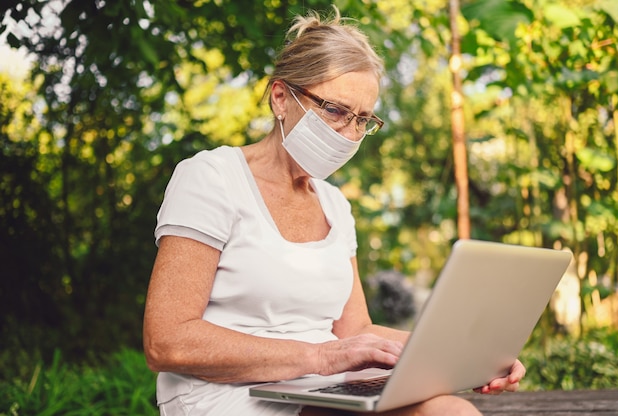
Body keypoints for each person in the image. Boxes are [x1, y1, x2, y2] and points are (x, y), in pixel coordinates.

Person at [142, 6, 526, 416]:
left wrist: (465, 355)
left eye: (363, 120)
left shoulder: (334, 205)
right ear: (280, 98)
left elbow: (356, 331)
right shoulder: (212, 178)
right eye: (335, 110)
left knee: (450, 411)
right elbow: (168, 342)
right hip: (230, 394)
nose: (349, 133)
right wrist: (324, 356)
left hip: (320, 389)